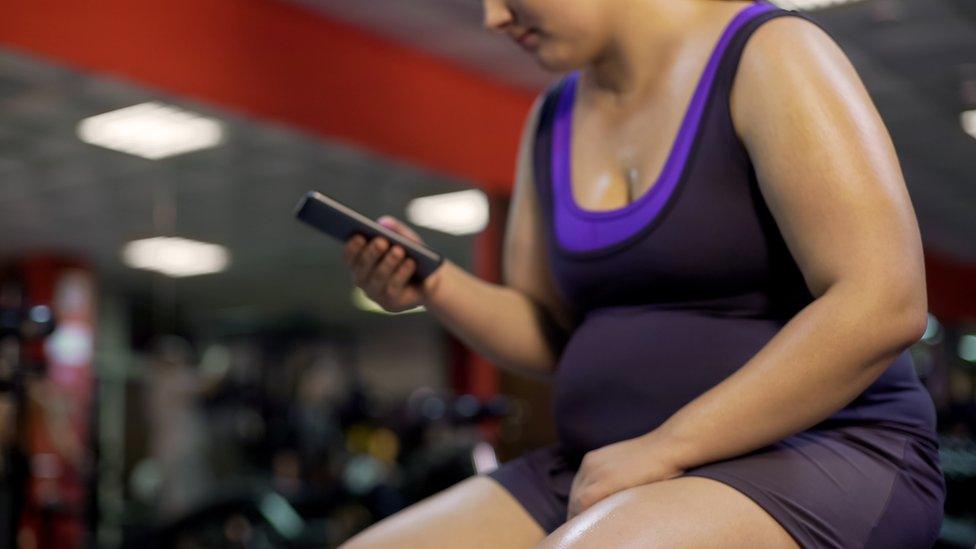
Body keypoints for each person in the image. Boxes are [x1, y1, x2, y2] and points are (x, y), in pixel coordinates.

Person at [338, 0, 945, 547]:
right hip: (602, 464)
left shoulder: (771, 52)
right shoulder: (553, 116)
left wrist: (667, 447)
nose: (493, 17)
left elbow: (884, 302)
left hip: (814, 453)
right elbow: (551, 331)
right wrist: (433, 285)